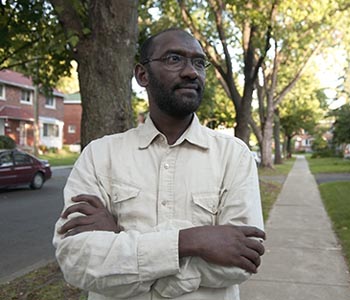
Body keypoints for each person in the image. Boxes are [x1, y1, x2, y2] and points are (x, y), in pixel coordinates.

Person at [53, 28, 265, 300]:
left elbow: (242, 261)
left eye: (199, 63)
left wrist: (121, 241)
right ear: (142, 75)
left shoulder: (234, 155)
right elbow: (77, 261)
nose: (191, 72)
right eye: (174, 59)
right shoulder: (99, 155)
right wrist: (192, 241)